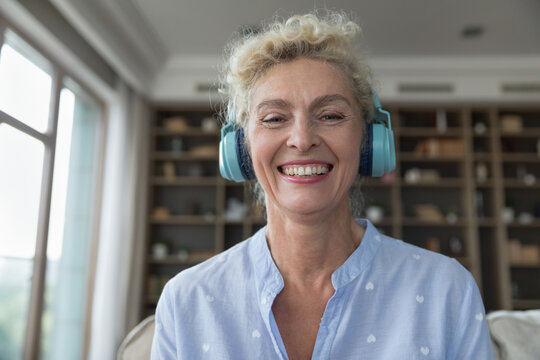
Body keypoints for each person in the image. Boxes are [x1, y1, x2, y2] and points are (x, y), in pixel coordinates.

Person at [151, 12, 494, 360]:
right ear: (242, 148)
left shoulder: (447, 290)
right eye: (273, 118)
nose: (302, 139)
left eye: (330, 115)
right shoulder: (186, 301)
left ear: (368, 140)